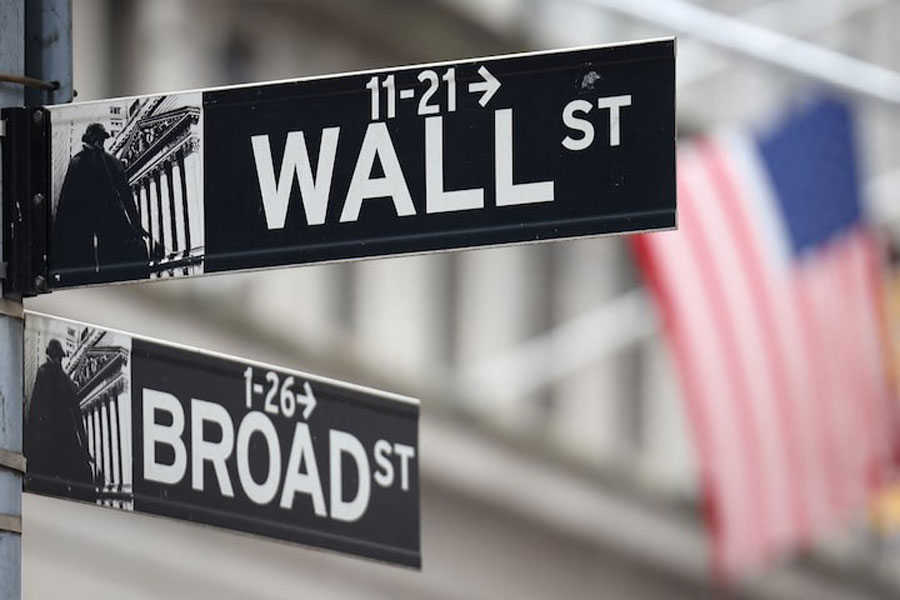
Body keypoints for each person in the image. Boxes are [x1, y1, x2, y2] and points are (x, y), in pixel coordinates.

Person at [53, 122, 152, 284]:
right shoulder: (103, 162)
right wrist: (135, 225)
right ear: (93, 140)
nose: (101, 143)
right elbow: (67, 204)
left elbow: (66, 205)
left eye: (102, 139)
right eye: (99, 139)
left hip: (100, 231)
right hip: (96, 231)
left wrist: (136, 225)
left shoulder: (89, 162)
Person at [25, 339, 97, 501]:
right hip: (56, 445)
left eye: (58, 357)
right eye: (56, 356)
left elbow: (76, 418)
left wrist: (84, 448)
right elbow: (38, 412)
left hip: (59, 445)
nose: (57, 360)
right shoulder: (52, 376)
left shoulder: (58, 378)